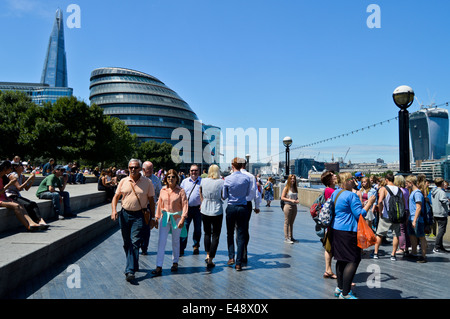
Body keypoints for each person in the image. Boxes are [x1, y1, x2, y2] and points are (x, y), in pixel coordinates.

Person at [331, 172, 376, 299]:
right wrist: (369, 203)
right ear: (346, 181)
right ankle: (346, 293)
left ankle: (339, 288)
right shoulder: (352, 196)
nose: (355, 181)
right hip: (349, 230)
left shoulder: (336, 193)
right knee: (353, 259)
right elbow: (359, 214)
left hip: (336, 229)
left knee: (341, 259)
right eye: (352, 179)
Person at [111, 159, 155, 282]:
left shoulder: (147, 182)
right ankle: (134, 264)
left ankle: (129, 271)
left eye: (135, 167)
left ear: (140, 169)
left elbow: (151, 201)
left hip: (139, 215)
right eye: (131, 167)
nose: (133, 169)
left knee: (135, 242)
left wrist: (152, 217)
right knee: (126, 243)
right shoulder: (124, 181)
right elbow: (116, 197)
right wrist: (114, 210)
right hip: (125, 214)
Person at [153, 169, 188, 276]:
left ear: (176, 178)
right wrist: (156, 217)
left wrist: (183, 218)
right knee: (161, 242)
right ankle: (159, 266)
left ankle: (175, 262)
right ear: (165, 179)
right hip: (165, 218)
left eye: (173, 177)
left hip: (176, 218)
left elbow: (185, 205)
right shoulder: (163, 190)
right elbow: (159, 204)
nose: (171, 179)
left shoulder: (181, 191)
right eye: (168, 177)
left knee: (175, 241)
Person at [0, 160, 46, 231]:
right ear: (5, 168)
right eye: (10, 168)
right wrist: (9, 185)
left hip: (5, 198)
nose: (11, 170)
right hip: (5, 198)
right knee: (17, 206)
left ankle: (31, 223)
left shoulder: (4, 177)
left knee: (22, 205)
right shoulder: (11, 176)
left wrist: (31, 180)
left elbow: (26, 188)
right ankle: (28, 226)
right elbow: (19, 188)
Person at [223, 157, 251, 271]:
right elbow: (248, 193)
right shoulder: (246, 178)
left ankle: (231, 257)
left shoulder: (228, 179)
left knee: (230, 233)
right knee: (241, 235)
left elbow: (224, 196)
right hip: (243, 207)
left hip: (231, 207)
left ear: (232, 165)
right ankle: (239, 263)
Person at [371, 173, 403, 261]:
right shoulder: (399, 189)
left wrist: (381, 212)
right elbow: (403, 202)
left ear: (386, 180)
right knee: (396, 235)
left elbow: (380, 201)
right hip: (396, 215)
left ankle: (376, 253)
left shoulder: (383, 189)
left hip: (386, 215)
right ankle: (393, 254)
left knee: (380, 234)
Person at [199, 164, 224, 268]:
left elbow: (200, 192)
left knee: (207, 233)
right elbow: (223, 196)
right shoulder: (221, 182)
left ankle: (207, 254)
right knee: (216, 234)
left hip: (205, 208)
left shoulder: (203, 181)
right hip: (217, 209)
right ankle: (211, 259)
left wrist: (202, 202)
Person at [180, 164, 202, 256]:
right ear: (189, 171)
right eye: (192, 170)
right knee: (184, 228)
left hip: (198, 209)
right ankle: (181, 248)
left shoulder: (202, 181)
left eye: (196, 170)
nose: (194, 172)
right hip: (187, 209)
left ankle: (196, 246)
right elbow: (180, 195)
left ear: (199, 171)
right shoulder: (184, 182)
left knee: (197, 229)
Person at [141, 161, 162, 255]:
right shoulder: (138, 177)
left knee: (146, 227)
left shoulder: (156, 179)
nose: (151, 171)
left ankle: (144, 247)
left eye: (152, 169)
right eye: (149, 169)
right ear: (143, 169)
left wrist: (159, 200)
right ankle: (137, 245)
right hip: (139, 206)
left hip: (150, 206)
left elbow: (159, 192)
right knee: (138, 227)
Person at [240, 161, 261, 262]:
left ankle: (239, 253)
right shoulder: (251, 176)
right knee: (245, 228)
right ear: (245, 165)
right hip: (247, 204)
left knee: (237, 229)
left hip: (236, 204)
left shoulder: (232, 176)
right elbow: (255, 193)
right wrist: (256, 206)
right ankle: (244, 251)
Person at [405, 175, 427, 263]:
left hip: (417, 219)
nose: (406, 185)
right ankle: (414, 252)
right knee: (412, 235)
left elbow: (418, 207)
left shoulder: (417, 193)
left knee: (421, 237)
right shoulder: (412, 192)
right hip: (412, 218)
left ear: (411, 183)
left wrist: (414, 220)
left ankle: (423, 256)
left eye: (407, 183)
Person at [320, 170, 337, 279]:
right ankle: (328, 269)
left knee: (329, 246)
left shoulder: (328, 190)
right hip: (333, 222)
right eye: (332, 175)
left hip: (330, 222)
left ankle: (328, 269)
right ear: (329, 180)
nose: (335, 175)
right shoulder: (331, 191)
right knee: (329, 247)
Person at [394, 174, 411, 256]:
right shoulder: (406, 190)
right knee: (405, 230)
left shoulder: (399, 191)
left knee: (401, 231)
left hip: (401, 211)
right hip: (407, 210)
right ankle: (407, 247)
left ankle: (401, 248)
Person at [430, 177, 449, 253]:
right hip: (442, 213)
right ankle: (437, 246)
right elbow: (444, 201)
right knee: (442, 230)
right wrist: (447, 201)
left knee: (440, 230)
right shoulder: (441, 192)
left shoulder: (433, 191)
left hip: (435, 212)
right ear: (441, 183)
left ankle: (440, 246)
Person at [281, 174, 299, 244]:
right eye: (291, 179)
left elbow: (295, 196)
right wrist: (291, 200)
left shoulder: (295, 188)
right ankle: (286, 238)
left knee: (291, 222)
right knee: (287, 222)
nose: (292, 180)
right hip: (288, 206)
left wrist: (296, 199)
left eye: (294, 179)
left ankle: (291, 237)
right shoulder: (286, 188)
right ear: (289, 180)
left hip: (294, 206)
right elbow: (282, 197)